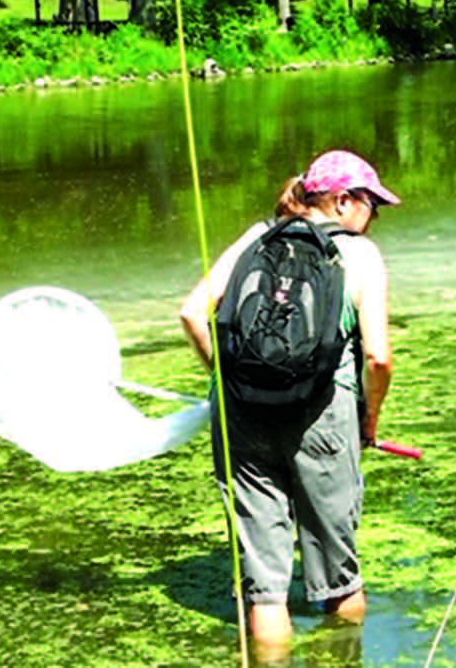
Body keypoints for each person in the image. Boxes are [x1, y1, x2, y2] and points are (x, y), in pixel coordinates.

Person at [180, 149, 399, 659]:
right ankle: (343, 655)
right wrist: (369, 419)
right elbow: (379, 358)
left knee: (265, 582)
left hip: (241, 419)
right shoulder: (361, 256)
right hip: (325, 417)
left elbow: (192, 313)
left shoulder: (257, 238)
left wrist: (229, 379)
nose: (375, 216)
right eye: (373, 204)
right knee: (339, 574)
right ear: (343, 201)